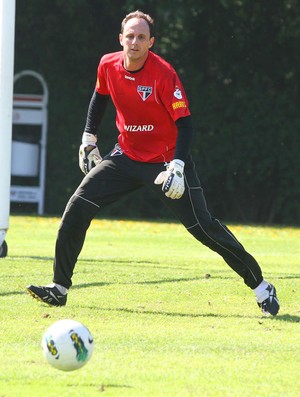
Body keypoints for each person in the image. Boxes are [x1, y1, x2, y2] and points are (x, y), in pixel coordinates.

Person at [26, 10, 279, 316]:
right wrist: (88, 138)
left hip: (165, 163)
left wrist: (177, 166)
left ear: (151, 42)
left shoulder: (163, 74)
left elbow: (185, 126)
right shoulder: (108, 64)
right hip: (125, 156)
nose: (134, 42)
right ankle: (59, 288)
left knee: (204, 228)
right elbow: (100, 97)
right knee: (77, 206)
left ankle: (261, 287)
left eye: (141, 37)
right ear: (121, 39)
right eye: (129, 36)